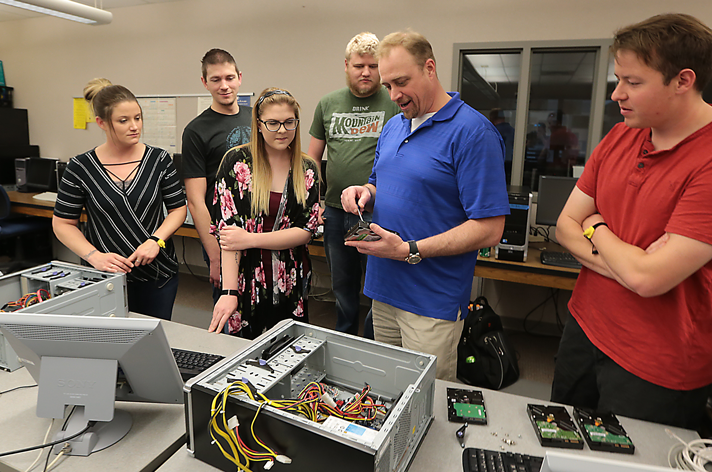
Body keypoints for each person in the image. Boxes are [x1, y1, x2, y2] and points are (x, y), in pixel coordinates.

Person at [551, 13, 712, 429]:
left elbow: (649, 280)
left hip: (657, 360)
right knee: (559, 441)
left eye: (633, 82)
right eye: (618, 79)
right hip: (586, 327)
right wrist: (626, 265)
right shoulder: (622, 135)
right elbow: (565, 223)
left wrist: (597, 227)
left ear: (683, 80)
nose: (617, 94)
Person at [340, 31, 509, 381]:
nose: (394, 95)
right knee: (383, 388)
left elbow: (490, 229)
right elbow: (379, 181)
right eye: (388, 85)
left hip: (432, 303)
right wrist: (365, 191)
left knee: (425, 404)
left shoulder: (473, 133)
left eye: (402, 82)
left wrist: (409, 250)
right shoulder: (392, 126)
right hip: (383, 290)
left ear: (429, 69)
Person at [53, 78, 187, 320]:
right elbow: (62, 223)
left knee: (152, 342)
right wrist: (94, 256)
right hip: (105, 278)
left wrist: (156, 241)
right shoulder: (80, 167)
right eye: (123, 121)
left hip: (158, 274)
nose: (134, 126)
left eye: (137, 118)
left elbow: (178, 209)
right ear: (101, 123)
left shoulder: (159, 160)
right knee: (105, 345)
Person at [308, 32, 400, 338]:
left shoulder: (394, 101)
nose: (366, 72)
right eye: (359, 65)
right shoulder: (328, 103)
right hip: (336, 212)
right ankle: (345, 336)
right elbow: (312, 158)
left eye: (373, 66)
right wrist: (315, 202)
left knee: (378, 284)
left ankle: (374, 340)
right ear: (347, 65)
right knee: (342, 284)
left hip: (376, 212)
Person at [209, 88, 321, 338]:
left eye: (289, 122)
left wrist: (250, 239)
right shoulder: (236, 162)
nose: (282, 130)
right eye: (272, 123)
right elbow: (228, 236)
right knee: (242, 353)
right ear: (258, 125)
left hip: (290, 277)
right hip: (245, 278)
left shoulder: (307, 168)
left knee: (289, 350)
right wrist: (228, 292)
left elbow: (305, 231)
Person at [182, 49, 253, 307]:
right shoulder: (195, 131)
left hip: (260, 228)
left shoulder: (257, 118)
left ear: (239, 77)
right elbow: (195, 200)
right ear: (204, 82)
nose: (224, 86)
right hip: (223, 235)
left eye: (229, 78)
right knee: (228, 306)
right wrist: (214, 255)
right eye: (215, 80)